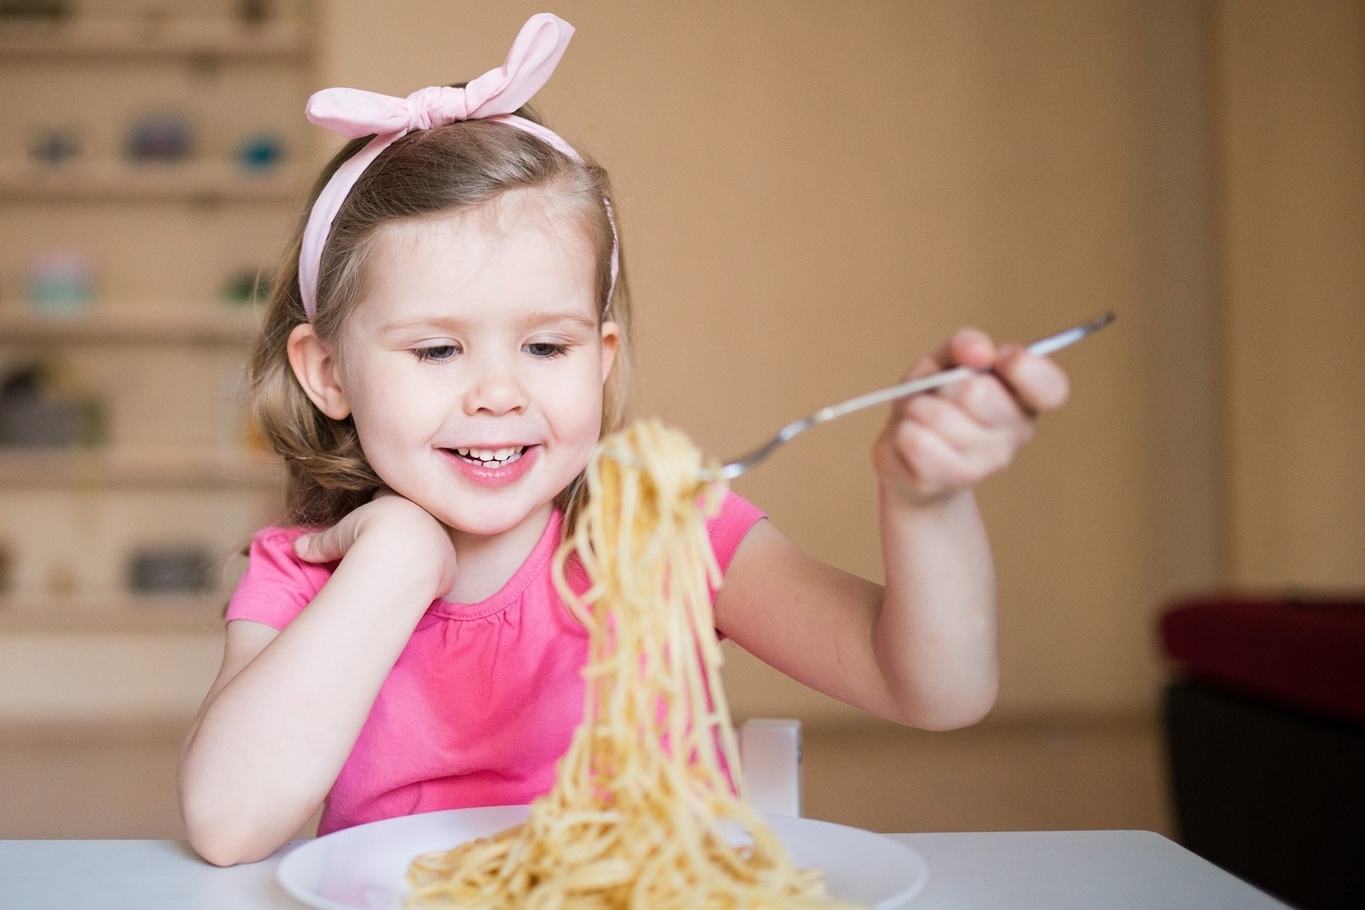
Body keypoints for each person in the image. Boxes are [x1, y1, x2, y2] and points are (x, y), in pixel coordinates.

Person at [177, 13, 1070, 867]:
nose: (498, 393)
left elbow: (931, 690)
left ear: (599, 358)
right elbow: (228, 824)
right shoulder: (308, 572)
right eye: (439, 348)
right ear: (327, 370)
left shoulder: (662, 529)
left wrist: (924, 502)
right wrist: (396, 561)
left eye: (545, 345)